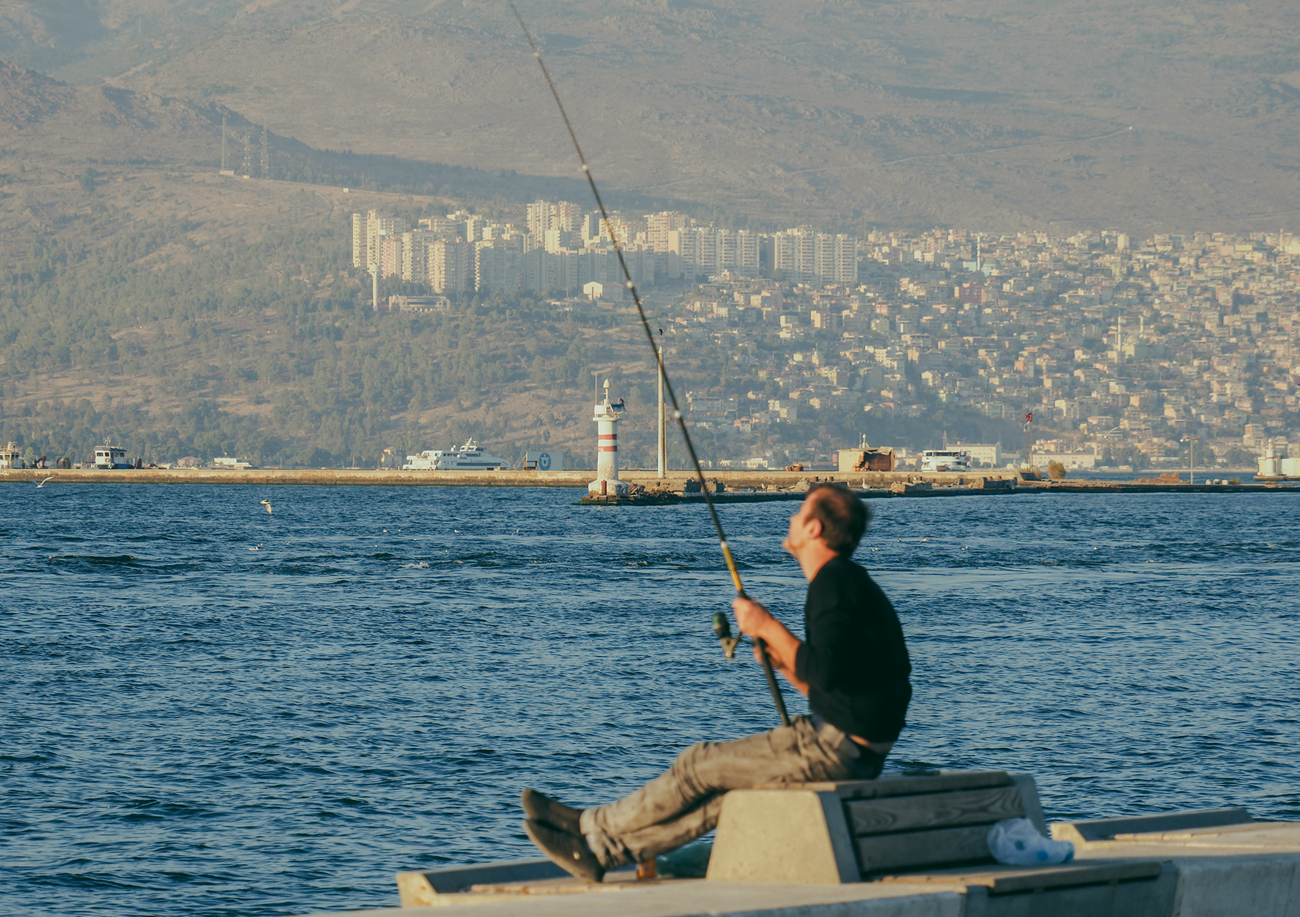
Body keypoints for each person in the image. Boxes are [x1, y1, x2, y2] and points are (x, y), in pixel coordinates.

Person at [522, 484, 913, 882]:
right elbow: (835, 687)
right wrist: (782, 662)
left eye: (799, 512)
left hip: (832, 748)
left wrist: (767, 626)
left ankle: (588, 824)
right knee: (724, 798)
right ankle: (602, 852)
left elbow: (825, 673)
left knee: (696, 765)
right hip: (859, 751)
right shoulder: (851, 583)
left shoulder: (832, 583)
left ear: (813, 529)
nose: (791, 518)